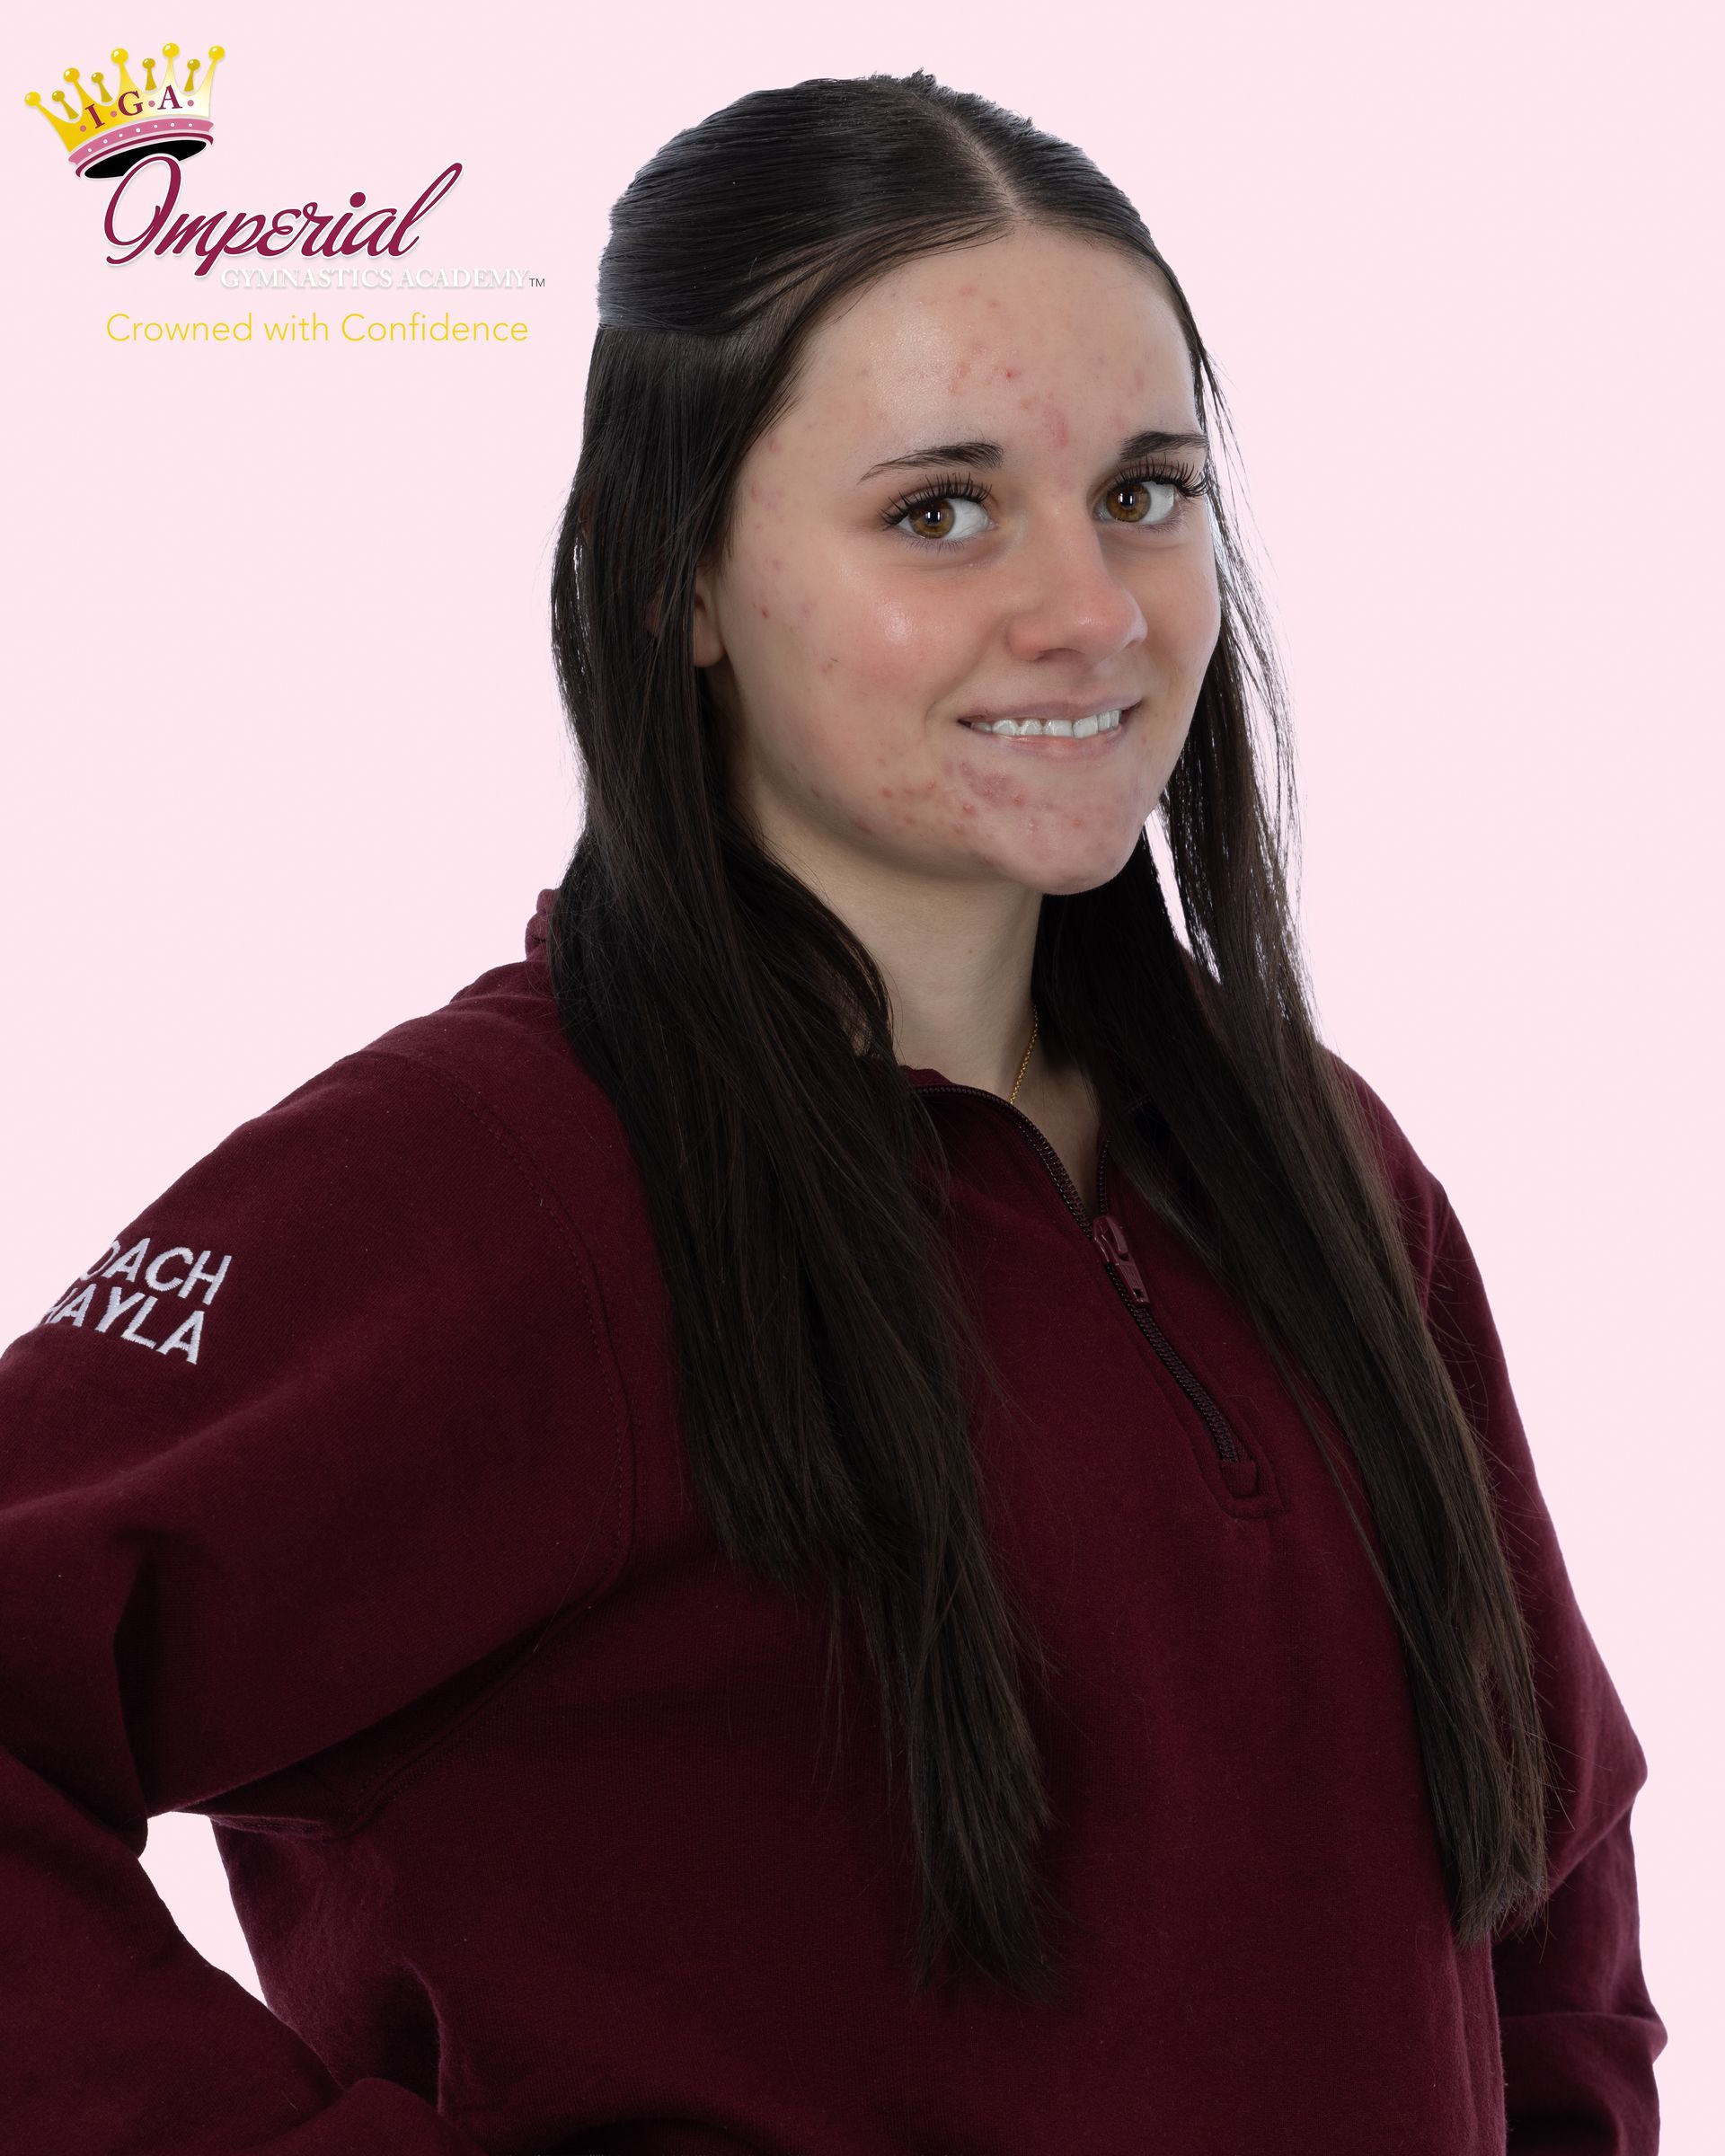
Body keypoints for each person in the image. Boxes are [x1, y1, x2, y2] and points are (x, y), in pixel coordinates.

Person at [0, 67, 1664, 2155]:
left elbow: (1543, 1885)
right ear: (677, 581)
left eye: (1145, 490)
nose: (1093, 609)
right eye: (939, 509)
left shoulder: (1316, 1161)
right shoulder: (491, 1187)